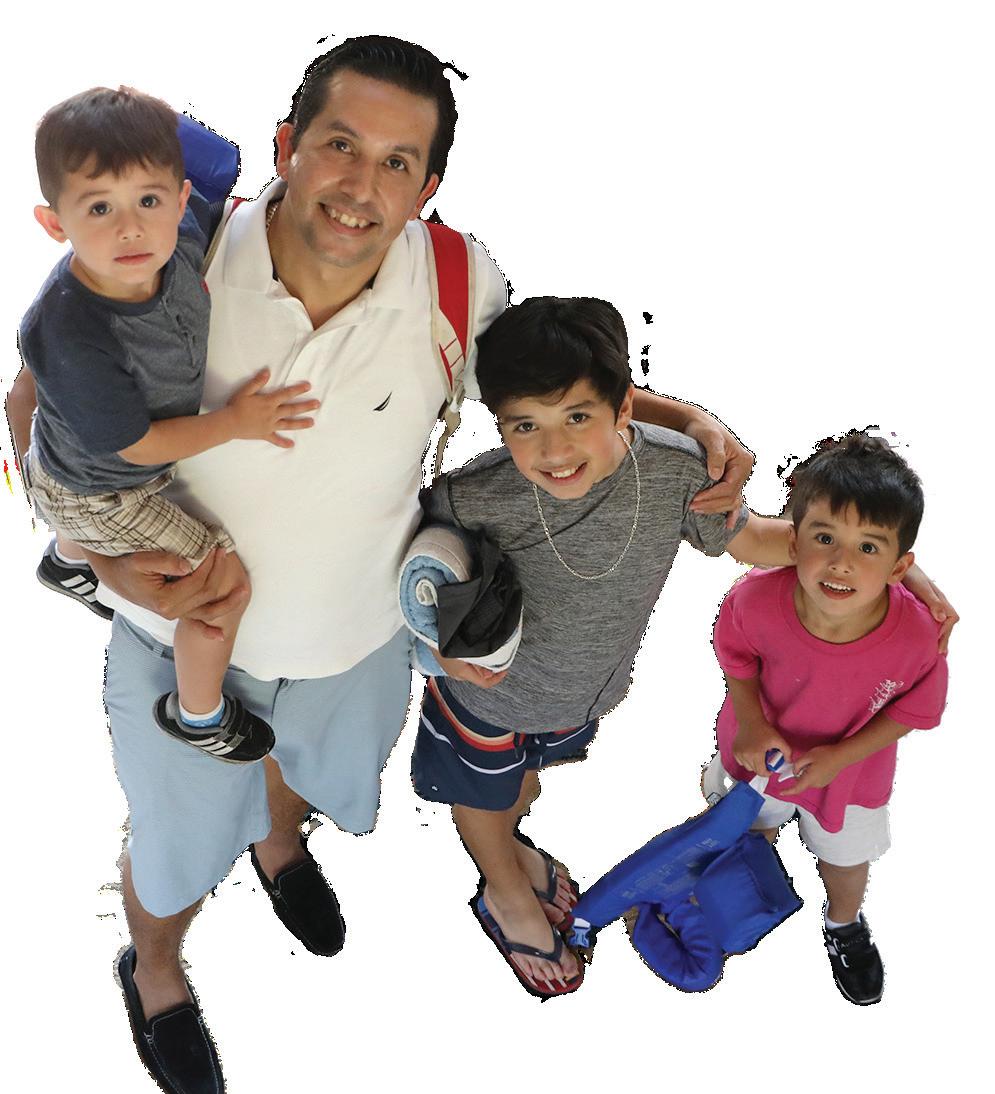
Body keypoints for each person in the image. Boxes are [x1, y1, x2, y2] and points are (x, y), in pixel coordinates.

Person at [4, 36, 758, 1093]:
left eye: (397, 161)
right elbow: (32, 409)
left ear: (427, 185)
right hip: (179, 640)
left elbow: (551, 384)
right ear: (286, 145)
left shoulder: (456, 281)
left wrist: (691, 419)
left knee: (300, 781)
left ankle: (278, 847)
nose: (361, 185)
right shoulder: (173, 250)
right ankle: (157, 965)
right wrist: (97, 556)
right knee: (173, 852)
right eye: (339, 145)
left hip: (354, 644)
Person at [409, 296, 827, 996]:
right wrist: (435, 652)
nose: (553, 451)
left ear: (623, 407)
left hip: (583, 691)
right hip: (484, 698)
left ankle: (513, 852)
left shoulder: (675, 471)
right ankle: (504, 892)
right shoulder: (473, 494)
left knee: (523, 786)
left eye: (577, 417)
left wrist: (858, 556)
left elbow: (752, 538)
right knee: (481, 798)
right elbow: (408, 578)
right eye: (524, 425)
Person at [19, 86, 320, 764]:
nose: (130, 229)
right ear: (54, 223)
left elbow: (216, 159)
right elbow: (140, 445)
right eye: (99, 208)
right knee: (222, 585)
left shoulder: (179, 237)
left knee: (75, 481)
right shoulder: (71, 331)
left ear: (182, 200)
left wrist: (131, 107)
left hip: (69, 456)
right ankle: (198, 714)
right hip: (101, 490)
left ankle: (69, 564)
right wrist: (237, 421)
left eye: (148, 201)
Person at [701, 432, 948, 1005]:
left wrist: (841, 757)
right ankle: (734, 892)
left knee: (846, 861)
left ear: (899, 566)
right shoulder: (755, 599)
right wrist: (751, 720)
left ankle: (843, 923)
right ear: (793, 539)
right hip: (757, 756)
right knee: (746, 833)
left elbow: (917, 708)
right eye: (824, 537)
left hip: (853, 777)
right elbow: (735, 656)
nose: (841, 563)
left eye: (868, 547)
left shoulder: (917, 636)